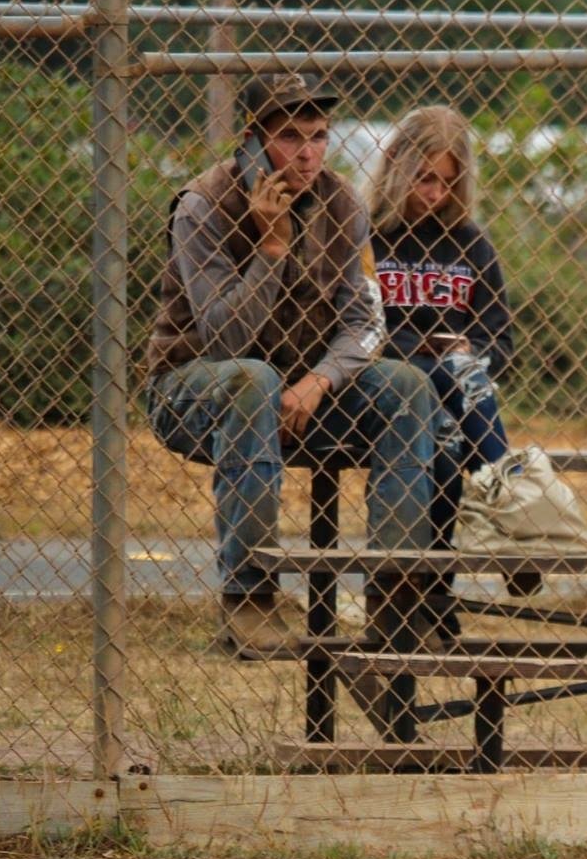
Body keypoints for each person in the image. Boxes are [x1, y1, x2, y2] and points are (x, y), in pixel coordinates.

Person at [145, 73, 444, 655]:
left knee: (408, 386)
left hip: (301, 397)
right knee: (251, 378)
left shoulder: (343, 202)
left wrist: (318, 381)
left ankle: (397, 601)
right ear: (253, 140)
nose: (308, 153)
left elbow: (366, 321)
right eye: (289, 136)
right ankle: (250, 599)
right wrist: (272, 248)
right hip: (194, 392)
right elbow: (222, 337)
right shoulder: (203, 205)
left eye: (318, 136)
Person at [369, 105, 514, 483]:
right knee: (452, 383)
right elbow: (355, 330)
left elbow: (498, 341)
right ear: (394, 165)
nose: (436, 194)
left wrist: (469, 352)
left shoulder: (471, 242)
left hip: (459, 390)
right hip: (386, 380)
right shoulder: (364, 235)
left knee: (447, 438)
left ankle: (441, 542)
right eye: (423, 178)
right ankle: (508, 486)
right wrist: (423, 350)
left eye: (449, 182)